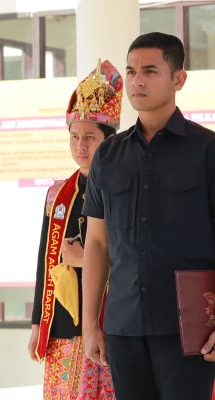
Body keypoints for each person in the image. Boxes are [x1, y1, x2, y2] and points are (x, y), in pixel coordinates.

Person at [82, 32, 215, 398]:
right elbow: (96, 242)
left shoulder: (207, 151)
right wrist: (90, 325)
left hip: (190, 329)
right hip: (123, 327)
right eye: (131, 70)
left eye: (150, 70)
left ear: (179, 79)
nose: (137, 80)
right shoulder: (107, 157)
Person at [27, 60, 120, 398]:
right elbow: (44, 261)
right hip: (62, 326)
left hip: (108, 321)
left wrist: (87, 261)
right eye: (75, 137)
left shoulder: (121, 190)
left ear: (109, 141)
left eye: (90, 138)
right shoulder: (58, 194)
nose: (81, 146)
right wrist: (38, 322)